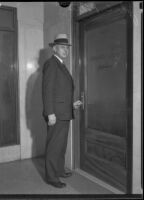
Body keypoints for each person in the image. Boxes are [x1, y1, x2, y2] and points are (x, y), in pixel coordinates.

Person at [42, 33, 82, 188]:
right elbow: (48, 90)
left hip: (63, 112)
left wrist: (71, 105)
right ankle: (51, 177)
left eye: (67, 48)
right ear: (55, 49)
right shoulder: (51, 64)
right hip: (56, 115)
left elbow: (60, 92)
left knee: (61, 145)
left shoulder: (61, 65)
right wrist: (50, 112)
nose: (66, 50)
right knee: (54, 146)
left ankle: (58, 170)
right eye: (62, 47)